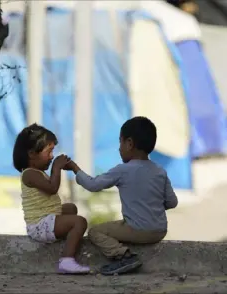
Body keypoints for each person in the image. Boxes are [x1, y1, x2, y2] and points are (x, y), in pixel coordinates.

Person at [64, 116, 178, 275]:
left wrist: (75, 168)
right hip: (160, 231)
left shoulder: (123, 170)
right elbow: (172, 202)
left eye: (120, 142)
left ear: (129, 143)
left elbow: (92, 185)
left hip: (137, 231)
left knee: (95, 232)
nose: (119, 148)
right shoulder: (160, 171)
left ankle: (124, 256)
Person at [13, 123, 90, 274]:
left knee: (71, 208)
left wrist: (61, 168)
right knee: (80, 221)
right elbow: (52, 188)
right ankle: (66, 261)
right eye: (49, 151)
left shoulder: (37, 172)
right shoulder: (29, 174)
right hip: (39, 225)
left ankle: (67, 238)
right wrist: (56, 168)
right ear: (32, 154)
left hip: (47, 218)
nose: (52, 156)